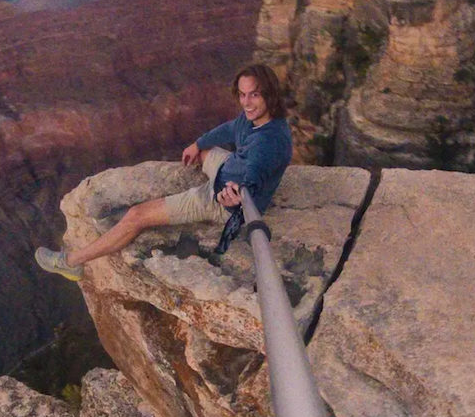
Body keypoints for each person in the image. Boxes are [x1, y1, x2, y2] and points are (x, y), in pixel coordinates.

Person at [35, 63, 293, 281]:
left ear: (269, 95)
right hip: (229, 165)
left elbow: (254, 174)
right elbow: (229, 129)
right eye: (242, 94)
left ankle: (71, 262)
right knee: (202, 154)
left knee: (137, 215)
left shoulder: (268, 143)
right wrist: (199, 144)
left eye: (255, 95)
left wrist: (237, 196)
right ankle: (209, 161)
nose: (246, 103)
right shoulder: (255, 120)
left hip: (222, 199)